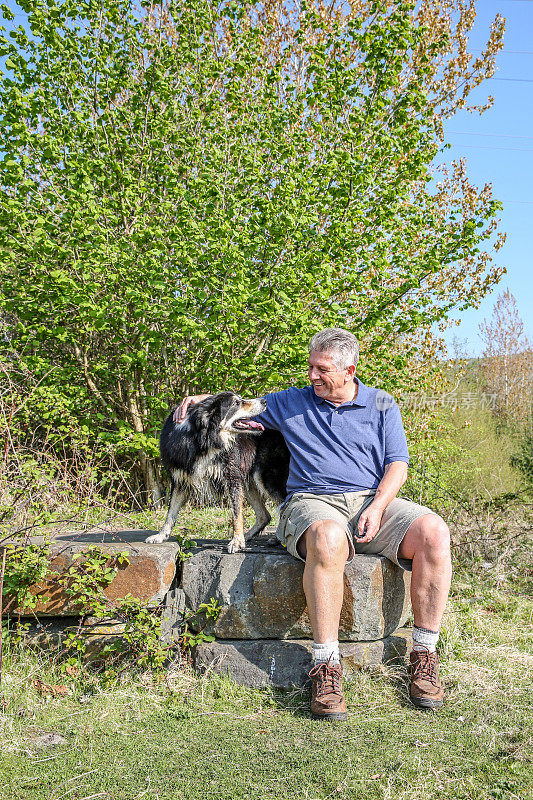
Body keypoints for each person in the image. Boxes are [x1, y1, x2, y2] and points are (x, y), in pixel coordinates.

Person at [175, 328, 451, 719]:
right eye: (310, 368)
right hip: (311, 501)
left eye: (322, 370)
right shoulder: (292, 402)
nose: (313, 377)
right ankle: (326, 665)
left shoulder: (382, 404)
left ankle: (424, 656)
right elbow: (243, 405)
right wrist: (199, 399)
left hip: (370, 500)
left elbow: (397, 466)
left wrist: (377, 507)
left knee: (435, 533)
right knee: (327, 538)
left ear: (350, 370)